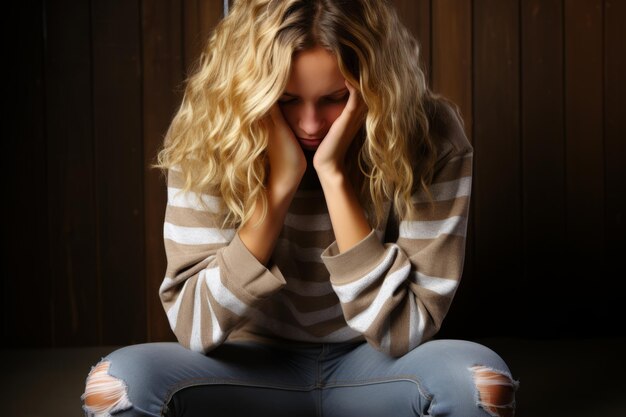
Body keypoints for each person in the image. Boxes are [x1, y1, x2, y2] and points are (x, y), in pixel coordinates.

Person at [81, 0, 519, 416]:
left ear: (374, 88)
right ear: (253, 92)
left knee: (479, 385)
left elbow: (403, 331)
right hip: (247, 369)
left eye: (335, 98)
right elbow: (195, 326)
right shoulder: (208, 134)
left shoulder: (431, 135)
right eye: (287, 101)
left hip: (377, 369)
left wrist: (334, 177)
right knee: (116, 387)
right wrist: (278, 189)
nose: (311, 125)